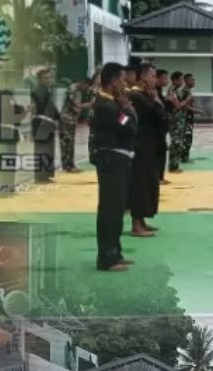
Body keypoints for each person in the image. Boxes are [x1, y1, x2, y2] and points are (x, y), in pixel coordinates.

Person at [92, 63, 137, 272]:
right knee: (110, 209)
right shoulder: (107, 106)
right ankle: (107, 258)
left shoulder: (112, 103)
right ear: (113, 81)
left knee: (117, 209)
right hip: (112, 160)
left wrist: (125, 109)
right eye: (122, 79)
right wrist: (127, 109)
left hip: (118, 159)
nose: (125, 83)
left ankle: (115, 252)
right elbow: (129, 127)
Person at [127, 64, 165, 238]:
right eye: (153, 76)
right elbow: (156, 115)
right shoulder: (135, 96)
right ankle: (136, 224)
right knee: (140, 185)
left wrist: (155, 99)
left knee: (148, 183)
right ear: (143, 77)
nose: (155, 80)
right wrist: (156, 100)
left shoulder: (144, 95)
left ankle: (141, 220)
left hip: (149, 144)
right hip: (139, 145)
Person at [29, 67, 60, 183]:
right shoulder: (37, 92)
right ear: (40, 80)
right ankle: (40, 177)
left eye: (50, 78)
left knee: (48, 149)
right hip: (40, 124)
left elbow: (51, 107)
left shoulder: (47, 91)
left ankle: (45, 175)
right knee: (41, 150)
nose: (49, 80)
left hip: (48, 124)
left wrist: (58, 117)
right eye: (46, 78)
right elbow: (35, 110)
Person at [58, 75, 93, 173]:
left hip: (72, 120)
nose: (87, 89)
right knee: (66, 144)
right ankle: (67, 166)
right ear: (83, 83)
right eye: (87, 86)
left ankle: (70, 165)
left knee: (70, 143)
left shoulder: (79, 90)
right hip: (66, 120)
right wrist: (90, 104)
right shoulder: (73, 89)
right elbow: (76, 106)